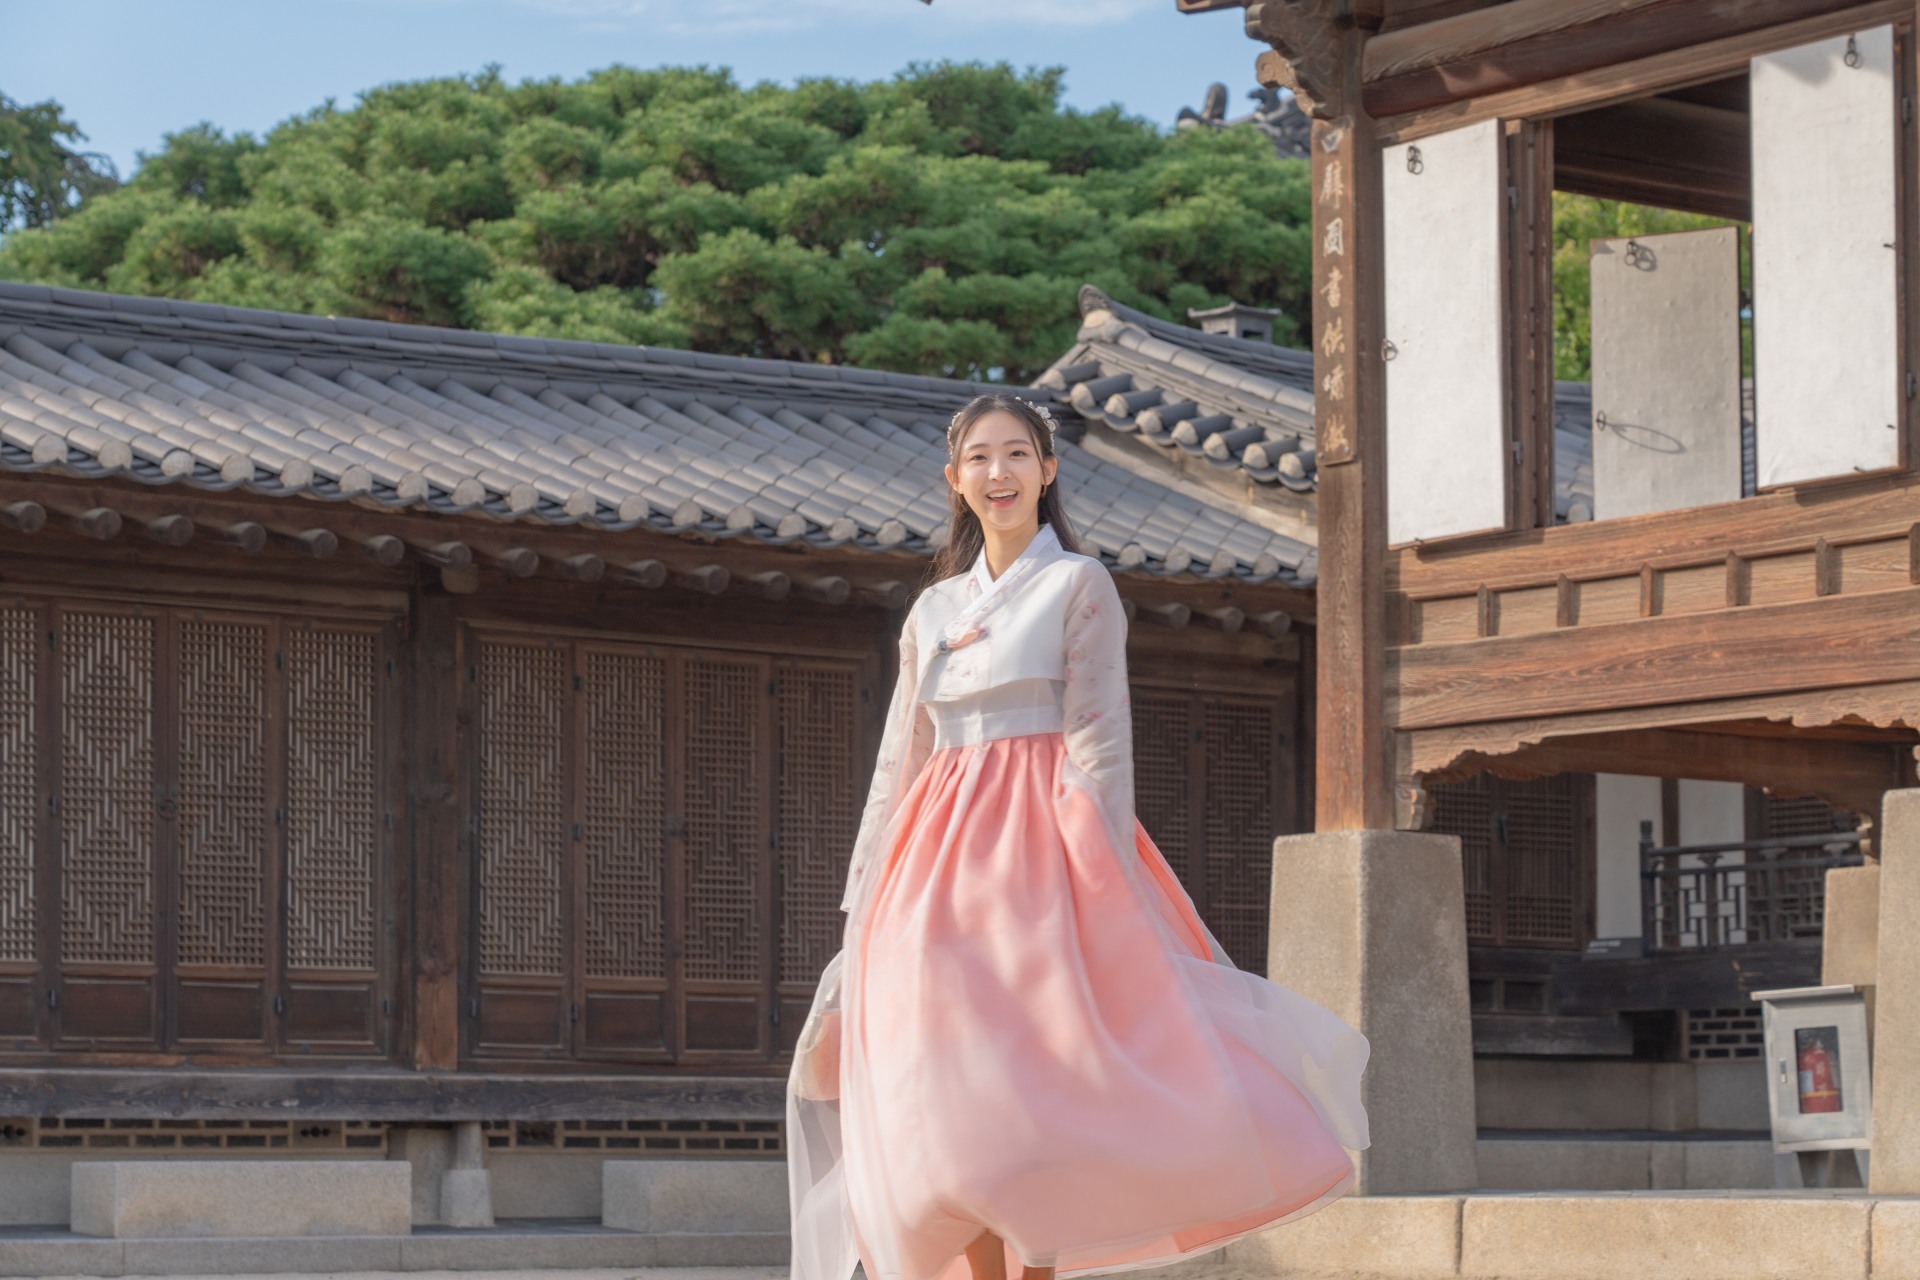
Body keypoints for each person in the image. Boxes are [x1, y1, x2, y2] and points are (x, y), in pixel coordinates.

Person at [786, 392, 1369, 1280]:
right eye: (979, 459)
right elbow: (899, 756)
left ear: (1048, 470)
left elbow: (1099, 737)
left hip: (1036, 840)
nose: (999, 473)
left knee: (1039, 1085)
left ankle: (1043, 1267)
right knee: (948, 1083)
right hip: (933, 853)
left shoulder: (1077, 585)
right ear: (955, 481)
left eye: (1017, 455)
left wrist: (1093, 871)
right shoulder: (934, 609)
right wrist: (864, 893)